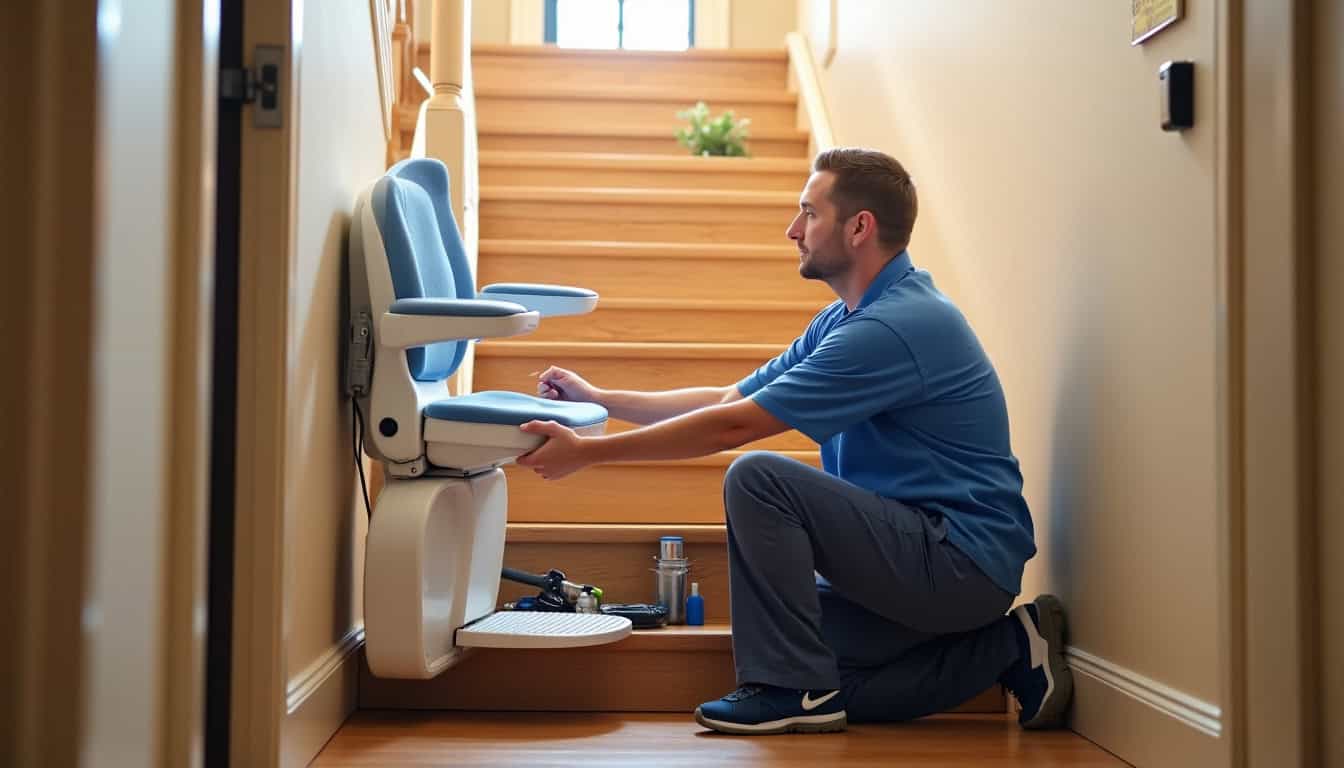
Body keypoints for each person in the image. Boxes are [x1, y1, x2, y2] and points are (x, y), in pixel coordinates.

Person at [515, 147, 1073, 735]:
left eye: (808, 213)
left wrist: (589, 454)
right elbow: (730, 399)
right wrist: (601, 400)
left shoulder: (893, 328)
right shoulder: (846, 319)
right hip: (919, 562)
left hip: (958, 561)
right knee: (822, 665)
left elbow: (736, 428)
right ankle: (1011, 647)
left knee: (759, 477)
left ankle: (791, 690)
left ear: (860, 227)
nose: (792, 230)